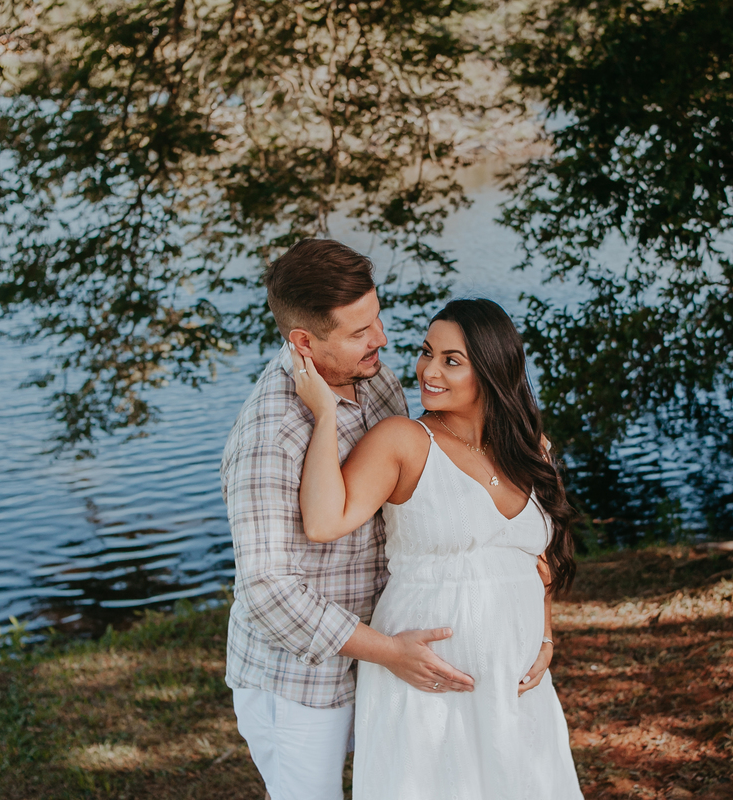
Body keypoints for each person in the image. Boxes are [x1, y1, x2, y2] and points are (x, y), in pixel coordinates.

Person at [220, 240, 553, 800]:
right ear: (304, 341)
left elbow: (424, 493)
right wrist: (388, 650)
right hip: (303, 680)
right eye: (359, 331)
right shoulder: (269, 437)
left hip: (394, 663)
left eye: (377, 319)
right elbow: (267, 592)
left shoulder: (373, 377)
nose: (382, 340)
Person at [290, 297, 583, 799]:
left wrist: (546, 637)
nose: (428, 370)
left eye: (452, 360)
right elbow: (322, 521)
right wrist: (324, 416)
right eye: (427, 352)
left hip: (514, 684)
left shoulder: (530, 448)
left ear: (492, 371)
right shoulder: (403, 440)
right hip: (427, 682)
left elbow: (539, 560)